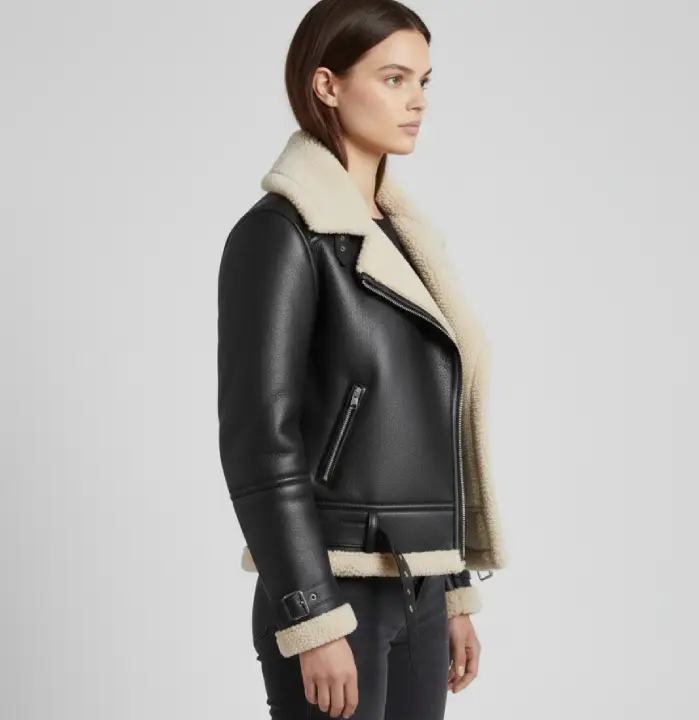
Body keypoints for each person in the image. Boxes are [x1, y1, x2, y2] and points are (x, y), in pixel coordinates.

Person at [216, 1, 508, 717]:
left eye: (424, 81)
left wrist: (453, 589)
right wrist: (310, 614)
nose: (418, 101)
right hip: (331, 589)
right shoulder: (282, 235)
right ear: (327, 85)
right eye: (394, 78)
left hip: (420, 587)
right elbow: (260, 442)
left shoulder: (408, 241)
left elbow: (426, 425)